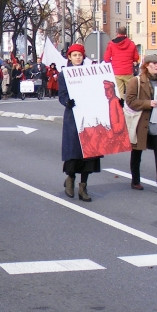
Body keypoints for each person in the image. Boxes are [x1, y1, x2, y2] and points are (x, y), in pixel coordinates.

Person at [124, 55, 157, 191]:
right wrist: (148, 103)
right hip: (141, 121)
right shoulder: (135, 81)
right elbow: (130, 101)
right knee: (137, 152)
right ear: (146, 65)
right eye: (154, 63)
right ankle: (135, 180)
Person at [58, 44, 99, 202]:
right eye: (74, 55)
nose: (77, 58)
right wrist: (67, 102)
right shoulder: (64, 74)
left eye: (80, 55)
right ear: (69, 57)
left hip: (89, 116)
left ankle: (83, 186)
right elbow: (62, 94)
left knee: (89, 153)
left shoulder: (91, 73)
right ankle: (70, 178)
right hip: (73, 117)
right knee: (73, 152)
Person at [103, 26, 140, 99]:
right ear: (126, 33)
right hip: (128, 71)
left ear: (117, 33)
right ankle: (131, 107)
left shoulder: (111, 44)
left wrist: (113, 62)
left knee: (119, 92)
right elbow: (136, 58)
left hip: (116, 72)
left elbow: (106, 58)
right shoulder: (131, 43)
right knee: (131, 92)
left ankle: (121, 107)